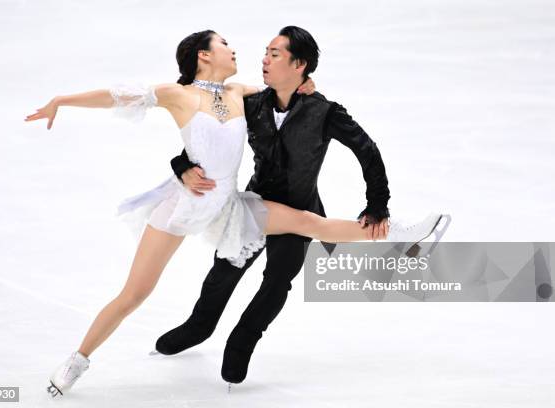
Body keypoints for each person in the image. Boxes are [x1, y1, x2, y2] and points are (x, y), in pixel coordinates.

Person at [24, 28, 439, 398]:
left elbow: (288, 90)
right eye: (224, 44)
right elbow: (117, 96)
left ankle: (398, 232)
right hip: (183, 207)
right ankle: (77, 360)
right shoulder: (178, 94)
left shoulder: (241, 93)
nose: (236, 49)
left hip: (229, 206)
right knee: (135, 293)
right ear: (204, 55)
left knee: (310, 223)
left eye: (268, 52)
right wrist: (62, 100)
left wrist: (306, 83)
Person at [153, 26, 450, 385]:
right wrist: (181, 165)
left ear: (300, 65)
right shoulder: (251, 104)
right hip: (254, 204)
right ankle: (198, 327)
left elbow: (367, 151)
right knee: (224, 273)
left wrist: (377, 205)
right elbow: (207, 139)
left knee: (278, 281)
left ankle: (242, 341)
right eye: (266, 52)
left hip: (300, 210)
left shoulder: (323, 111)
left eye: (275, 54)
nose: (264, 59)